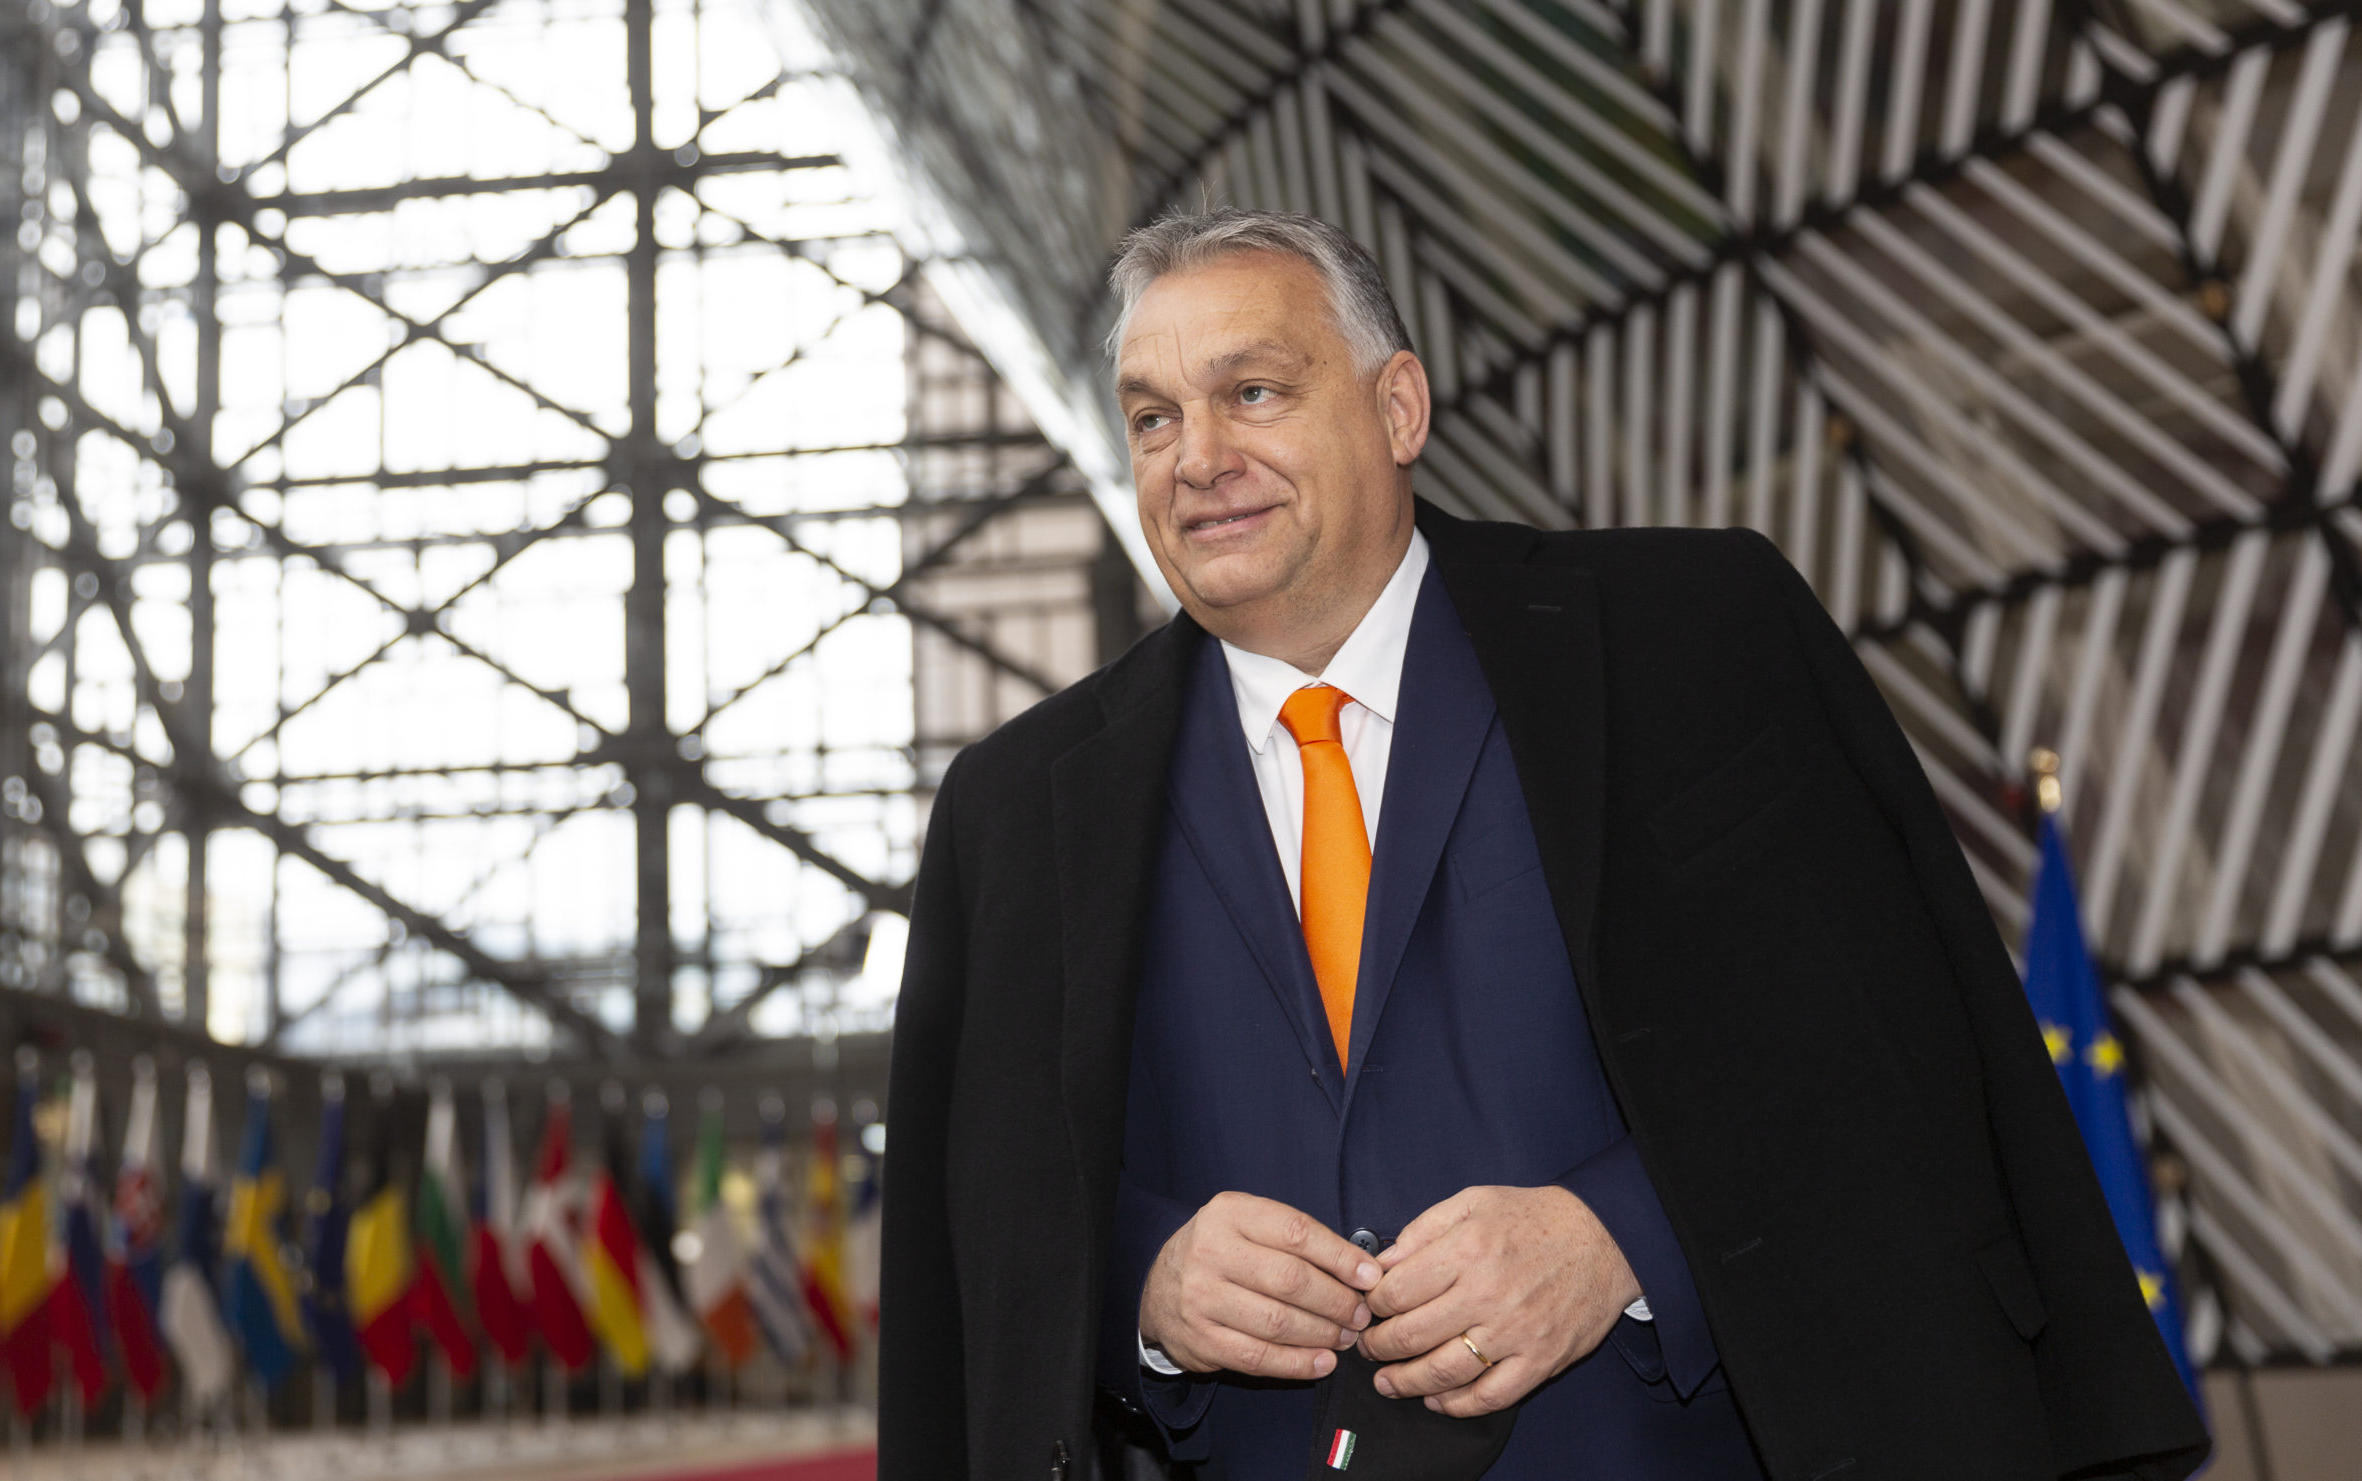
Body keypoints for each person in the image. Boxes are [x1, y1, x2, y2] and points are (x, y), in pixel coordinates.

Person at [877, 209, 2207, 1481]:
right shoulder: (1019, 810)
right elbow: (989, 1216)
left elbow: (1886, 1046)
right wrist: (1150, 1282)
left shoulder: (1695, 643)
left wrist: (1625, 1237)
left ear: (1400, 408)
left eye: (1255, 393)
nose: (1198, 457)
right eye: (1153, 417)